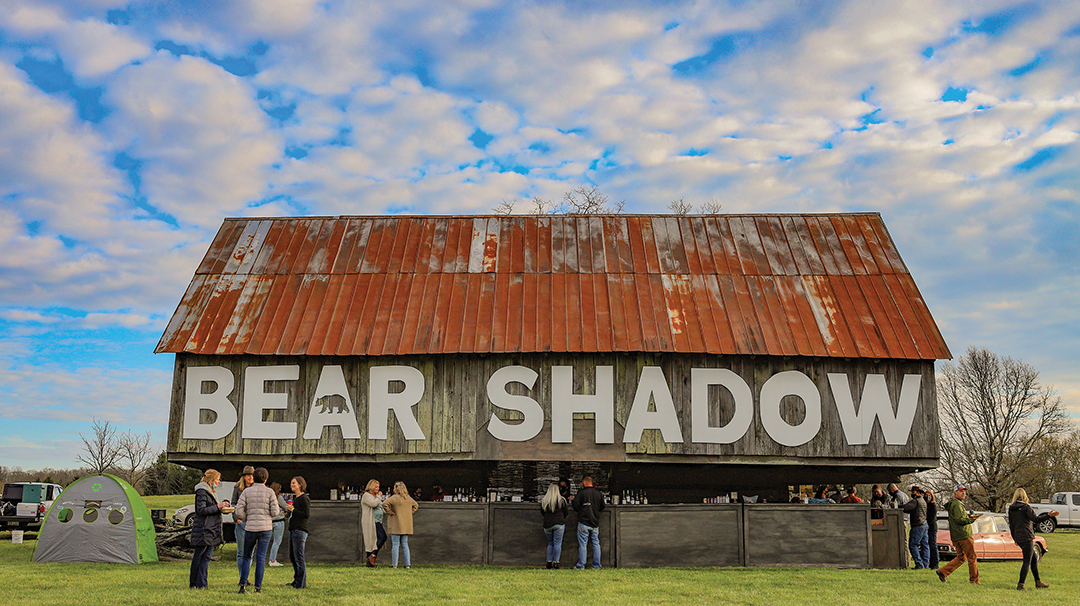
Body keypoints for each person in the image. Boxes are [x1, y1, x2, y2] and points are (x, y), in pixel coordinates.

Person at [234, 467, 279, 594]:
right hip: (265, 528)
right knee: (260, 557)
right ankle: (257, 588)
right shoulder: (270, 492)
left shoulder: (247, 491)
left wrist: (247, 518)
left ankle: (243, 585)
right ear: (266, 479)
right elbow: (275, 511)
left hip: (251, 527)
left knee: (247, 556)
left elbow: (238, 510)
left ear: (254, 478)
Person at [1008, 488, 1057, 590]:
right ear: (1025, 496)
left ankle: (1038, 582)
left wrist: (1015, 537)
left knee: (1033, 558)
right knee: (1027, 560)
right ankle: (1021, 584)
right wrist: (1048, 516)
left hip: (1018, 536)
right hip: (1027, 536)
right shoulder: (1026, 507)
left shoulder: (1011, 508)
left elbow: (1011, 524)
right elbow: (1035, 519)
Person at [189, 469, 229, 589]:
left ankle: (202, 583)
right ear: (211, 480)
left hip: (211, 529)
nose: (219, 482)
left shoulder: (211, 491)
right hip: (204, 529)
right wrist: (218, 506)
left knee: (206, 558)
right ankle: (194, 582)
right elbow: (201, 510)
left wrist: (222, 506)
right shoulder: (202, 491)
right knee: (199, 556)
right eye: (217, 480)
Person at [936, 484, 981, 584]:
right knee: (972, 557)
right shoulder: (957, 504)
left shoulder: (953, 504)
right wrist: (971, 519)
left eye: (964, 491)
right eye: (961, 491)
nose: (963, 493)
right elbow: (960, 520)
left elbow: (958, 518)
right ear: (955, 492)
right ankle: (974, 580)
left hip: (956, 535)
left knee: (961, 557)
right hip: (964, 535)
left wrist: (967, 516)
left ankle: (943, 572)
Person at [383, 481, 419, 569]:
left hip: (396, 524)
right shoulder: (408, 498)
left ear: (396, 488)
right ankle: (407, 564)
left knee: (395, 544)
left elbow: (384, 504)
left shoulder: (394, 498)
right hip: (406, 525)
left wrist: (390, 512)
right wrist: (409, 513)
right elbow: (416, 505)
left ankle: (395, 564)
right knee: (405, 544)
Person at [572, 476, 605, 569]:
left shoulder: (581, 493)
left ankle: (581, 565)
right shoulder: (598, 493)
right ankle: (597, 565)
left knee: (583, 544)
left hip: (583, 521)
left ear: (584, 482)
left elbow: (575, 506)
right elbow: (602, 506)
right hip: (594, 522)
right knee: (596, 543)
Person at [231, 466, 255, 579]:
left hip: (253, 522)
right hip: (241, 522)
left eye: (252, 475)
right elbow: (233, 504)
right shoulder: (238, 488)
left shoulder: (257, 488)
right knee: (241, 551)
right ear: (244, 477)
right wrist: (237, 519)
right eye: (248, 475)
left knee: (250, 552)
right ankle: (242, 576)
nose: (250, 477)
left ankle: (246, 576)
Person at [286, 476, 309, 589]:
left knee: (299, 557)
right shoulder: (296, 499)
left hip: (300, 530)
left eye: (294, 483)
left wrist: (293, 510)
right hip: (293, 530)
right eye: (291, 483)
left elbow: (306, 514)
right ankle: (297, 580)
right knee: (293, 557)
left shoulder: (304, 498)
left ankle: (301, 583)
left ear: (300, 484)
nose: (292, 485)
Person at [541, 482, 568, 569]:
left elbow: (542, 512)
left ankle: (549, 561)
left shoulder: (544, 500)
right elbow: (566, 512)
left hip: (547, 524)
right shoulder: (562, 500)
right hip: (559, 523)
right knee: (557, 543)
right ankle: (556, 562)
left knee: (550, 543)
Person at [902, 486, 929, 569]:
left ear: (918, 493)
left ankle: (919, 564)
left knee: (913, 545)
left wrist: (896, 506)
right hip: (924, 524)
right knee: (925, 545)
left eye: (912, 492)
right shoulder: (923, 501)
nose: (911, 493)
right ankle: (925, 564)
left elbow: (906, 508)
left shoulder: (915, 501)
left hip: (918, 525)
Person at [361, 479, 383, 566]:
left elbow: (380, 507)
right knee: (380, 537)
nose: (378, 489)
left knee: (374, 539)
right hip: (370, 521)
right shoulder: (366, 496)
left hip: (377, 520)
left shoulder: (376, 496)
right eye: (376, 487)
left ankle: (370, 560)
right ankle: (373, 555)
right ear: (371, 487)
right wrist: (379, 497)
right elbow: (373, 504)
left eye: (378, 487)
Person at [268, 482, 287, 567]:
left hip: (269, 521)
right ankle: (272, 560)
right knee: (277, 541)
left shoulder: (268, 498)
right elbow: (285, 507)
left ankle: (266, 559)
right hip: (279, 521)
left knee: (267, 541)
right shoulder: (278, 497)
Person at [924, 489, 940, 570]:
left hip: (932, 527)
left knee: (933, 545)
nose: (927, 496)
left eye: (929, 495)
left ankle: (935, 563)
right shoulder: (925, 505)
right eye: (926, 495)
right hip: (927, 527)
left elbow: (932, 517)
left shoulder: (933, 505)